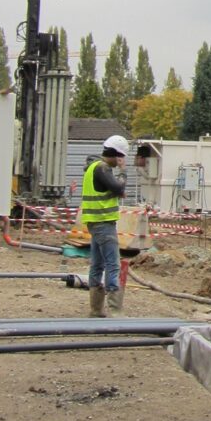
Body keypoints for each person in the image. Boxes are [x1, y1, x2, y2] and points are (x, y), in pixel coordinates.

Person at [81, 134, 128, 317]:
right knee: (112, 264)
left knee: (97, 264)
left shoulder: (92, 168)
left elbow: (113, 189)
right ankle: (115, 310)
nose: (121, 161)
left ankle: (96, 309)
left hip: (95, 223)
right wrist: (123, 174)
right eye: (121, 157)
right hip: (104, 223)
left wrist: (117, 187)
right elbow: (119, 188)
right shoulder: (102, 168)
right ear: (117, 155)